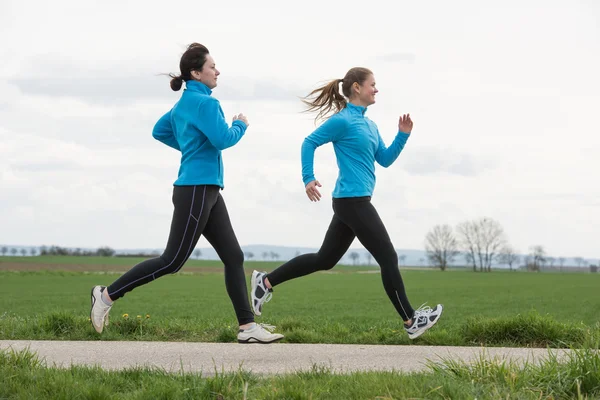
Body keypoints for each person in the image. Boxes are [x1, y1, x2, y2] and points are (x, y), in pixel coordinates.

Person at [89, 43, 283, 344]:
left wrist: (191, 146)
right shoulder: (207, 104)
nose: (217, 71)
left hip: (207, 190)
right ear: (196, 72)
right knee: (172, 261)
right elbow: (222, 139)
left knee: (234, 256)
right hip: (195, 189)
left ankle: (247, 327)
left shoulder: (183, 105)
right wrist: (240, 125)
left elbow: (160, 130)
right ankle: (106, 295)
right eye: (212, 67)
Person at [250, 67, 443, 339]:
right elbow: (309, 143)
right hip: (352, 202)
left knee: (324, 259)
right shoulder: (343, 121)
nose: (376, 89)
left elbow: (385, 160)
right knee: (388, 257)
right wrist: (308, 178)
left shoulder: (370, 125)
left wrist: (402, 135)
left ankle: (265, 281)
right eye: (372, 84)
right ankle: (411, 321)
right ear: (356, 88)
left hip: (352, 201)